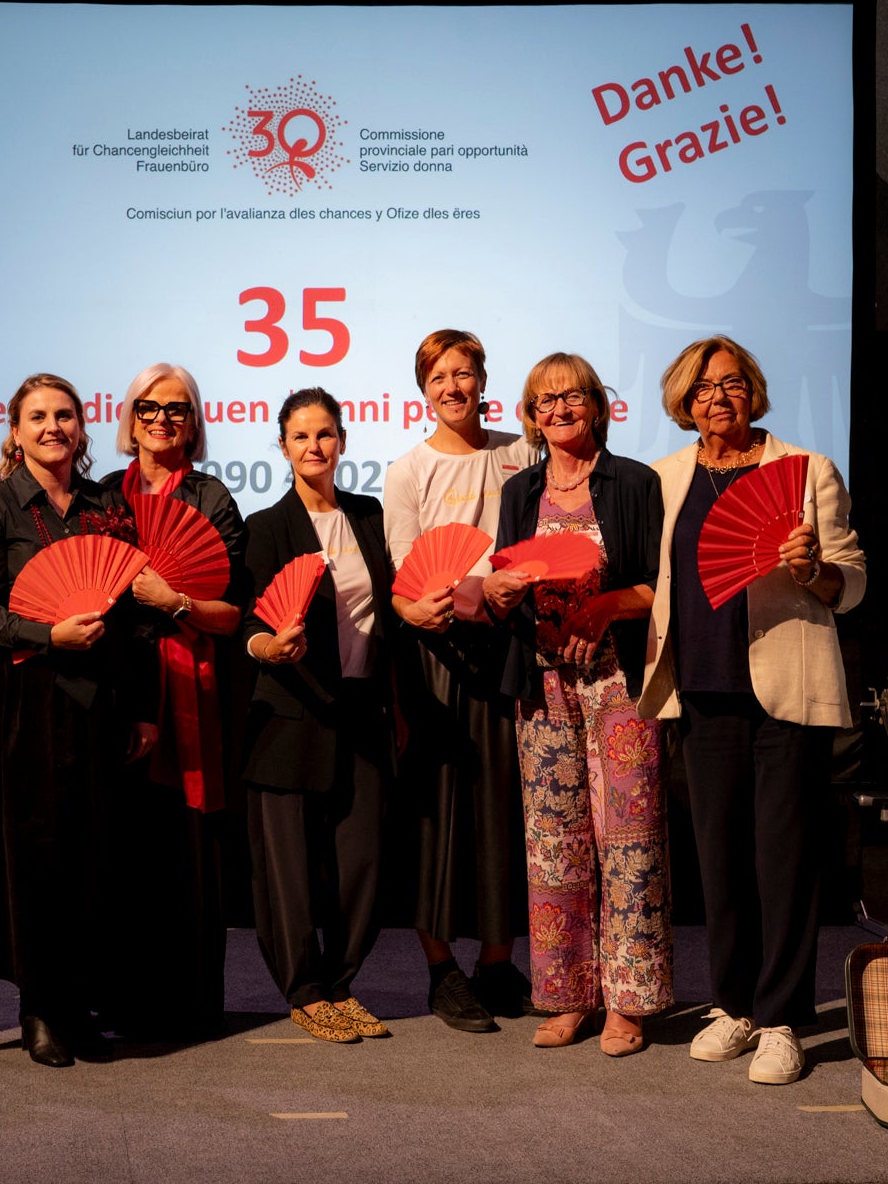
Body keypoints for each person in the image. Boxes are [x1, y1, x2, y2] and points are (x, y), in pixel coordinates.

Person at [637, 337, 865, 1085]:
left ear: (754, 392)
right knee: (721, 860)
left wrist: (814, 569)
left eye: (732, 384)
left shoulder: (803, 471)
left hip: (786, 692)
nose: (719, 399)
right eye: (703, 389)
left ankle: (783, 1019)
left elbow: (854, 579)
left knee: (785, 860)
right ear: (683, 402)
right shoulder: (664, 478)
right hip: (701, 687)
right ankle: (732, 1003)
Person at [0, 371, 158, 1066]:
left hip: (103, 704)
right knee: (38, 859)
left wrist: (143, 710)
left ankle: (80, 1002)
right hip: (31, 703)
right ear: (15, 431)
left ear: (82, 427)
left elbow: (135, 618)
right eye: (37, 416)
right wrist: (49, 637)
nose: (53, 427)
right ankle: (39, 1005)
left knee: (96, 856)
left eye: (65, 415)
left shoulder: (108, 505)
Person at [485, 353, 668, 1057]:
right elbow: (506, 581)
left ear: (598, 404)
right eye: (543, 400)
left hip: (620, 681)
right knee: (554, 846)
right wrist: (502, 596)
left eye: (571, 396)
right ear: (530, 415)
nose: (557, 409)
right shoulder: (520, 490)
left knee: (630, 843)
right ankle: (567, 997)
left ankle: (627, 1003)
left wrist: (605, 605)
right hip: (543, 685)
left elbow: (658, 585)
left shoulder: (634, 482)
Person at [380, 329, 533, 1033]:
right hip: (435, 657)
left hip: (506, 649)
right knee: (436, 813)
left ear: (483, 380)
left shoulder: (519, 452)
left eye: (464, 373)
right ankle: (442, 969)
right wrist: (423, 605)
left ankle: (498, 963)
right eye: (439, 375)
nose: (453, 386)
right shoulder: (408, 470)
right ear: (423, 388)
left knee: (504, 809)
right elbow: (403, 576)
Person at [241, 387, 397, 1044]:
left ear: (342, 441)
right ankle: (305, 990)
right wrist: (270, 645)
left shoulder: (369, 513)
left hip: (363, 707)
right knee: (292, 869)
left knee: (362, 860)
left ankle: (342, 981)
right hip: (292, 713)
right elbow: (248, 626)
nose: (314, 446)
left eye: (325, 434)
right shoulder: (265, 526)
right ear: (282, 446)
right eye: (301, 436)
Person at [98, 362, 247, 1038]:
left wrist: (175, 599)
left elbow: (234, 612)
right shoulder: (102, 496)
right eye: (150, 408)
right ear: (130, 419)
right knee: (122, 846)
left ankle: (188, 1003)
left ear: (195, 422)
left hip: (190, 684)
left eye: (178, 409)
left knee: (188, 846)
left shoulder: (213, 498)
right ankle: (122, 997)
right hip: (117, 683)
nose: (163, 420)